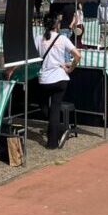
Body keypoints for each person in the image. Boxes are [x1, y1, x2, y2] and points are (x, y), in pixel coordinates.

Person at [37, 13, 81, 149]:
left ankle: (54, 127)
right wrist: (70, 68)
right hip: (60, 77)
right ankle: (52, 141)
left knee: (43, 105)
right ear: (57, 25)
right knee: (55, 108)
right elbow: (78, 55)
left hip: (44, 79)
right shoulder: (62, 38)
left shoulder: (38, 38)